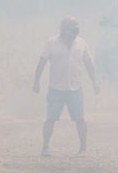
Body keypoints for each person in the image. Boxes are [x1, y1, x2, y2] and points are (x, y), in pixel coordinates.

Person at [32, 17, 99, 157]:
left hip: (75, 88)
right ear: (63, 29)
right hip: (56, 88)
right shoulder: (52, 43)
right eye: (72, 28)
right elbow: (42, 61)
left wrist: (95, 81)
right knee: (51, 118)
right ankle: (45, 148)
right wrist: (36, 80)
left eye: (77, 27)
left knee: (80, 119)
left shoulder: (81, 43)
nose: (76, 31)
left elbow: (88, 63)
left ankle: (83, 149)